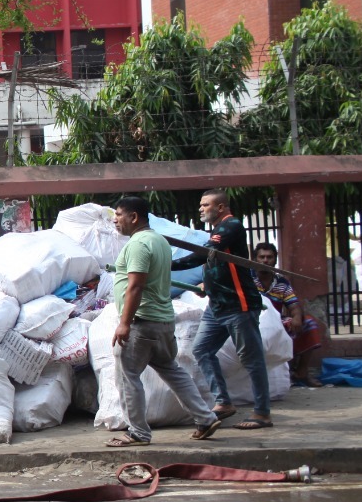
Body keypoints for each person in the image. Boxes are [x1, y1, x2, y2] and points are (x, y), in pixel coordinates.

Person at [106, 196, 222, 447]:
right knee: (171, 369)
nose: (114, 220)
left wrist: (125, 323)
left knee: (127, 376)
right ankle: (205, 417)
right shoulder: (159, 241)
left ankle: (138, 433)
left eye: (118, 214)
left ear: (133, 217)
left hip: (142, 322)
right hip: (163, 321)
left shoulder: (138, 244)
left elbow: (135, 286)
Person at [170, 189, 272, 430]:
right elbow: (215, 261)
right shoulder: (218, 231)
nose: (201, 208)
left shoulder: (231, 225)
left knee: (252, 359)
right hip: (216, 306)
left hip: (239, 305)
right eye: (201, 204)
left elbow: (204, 254)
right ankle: (223, 401)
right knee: (202, 349)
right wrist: (208, 282)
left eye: (206, 205)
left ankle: (262, 413)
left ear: (221, 207)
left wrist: (167, 264)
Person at [253, 242, 326, 388]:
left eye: (269, 257)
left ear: (275, 260)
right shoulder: (247, 279)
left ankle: (302, 372)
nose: (265, 261)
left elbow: (293, 304)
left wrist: (297, 318)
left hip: (277, 321)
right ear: (255, 259)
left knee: (309, 323)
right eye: (262, 257)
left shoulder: (281, 281)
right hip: (254, 320)